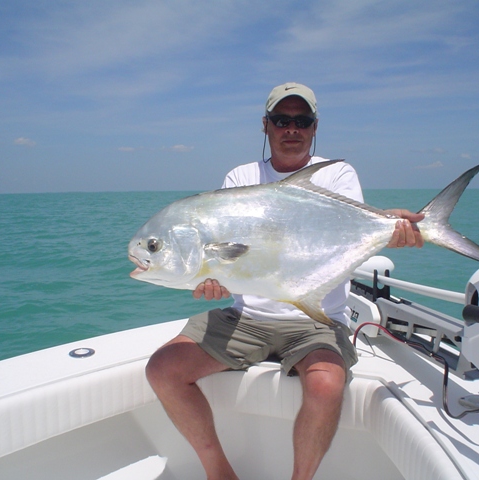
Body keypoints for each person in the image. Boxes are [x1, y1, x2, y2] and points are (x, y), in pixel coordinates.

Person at [146, 82, 424, 480]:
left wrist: (387, 228)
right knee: (163, 369)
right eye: (281, 120)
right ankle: (219, 473)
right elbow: (232, 258)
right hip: (247, 317)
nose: (291, 128)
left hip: (316, 319)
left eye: (301, 120)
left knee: (326, 386)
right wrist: (215, 279)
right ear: (266, 125)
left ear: (314, 127)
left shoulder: (337, 174)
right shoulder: (241, 176)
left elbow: (355, 226)